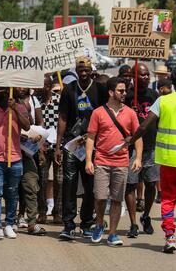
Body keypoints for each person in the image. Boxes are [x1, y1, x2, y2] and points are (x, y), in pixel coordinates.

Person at [126, 66, 176, 253]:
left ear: (173, 83)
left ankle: (170, 237)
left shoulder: (163, 101)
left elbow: (144, 126)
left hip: (168, 160)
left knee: (168, 199)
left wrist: (131, 140)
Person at [86, 77, 142, 246]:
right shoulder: (98, 113)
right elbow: (90, 138)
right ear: (111, 92)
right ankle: (100, 224)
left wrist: (138, 158)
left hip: (122, 162)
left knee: (117, 199)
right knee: (101, 197)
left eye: (125, 90)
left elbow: (138, 137)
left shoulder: (131, 113)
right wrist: (89, 160)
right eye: (120, 90)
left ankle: (112, 234)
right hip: (101, 161)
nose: (124, 93)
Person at [56, 56, 108, 240]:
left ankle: (86, 222)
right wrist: (58, 145)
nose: (84, 73)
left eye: (86, 70)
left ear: (91, 70)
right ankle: (68, 224)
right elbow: (62, 117)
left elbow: (106, 115)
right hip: (72, 142)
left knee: (90, 184)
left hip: (93, 143)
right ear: (76, 72)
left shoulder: (100, 89)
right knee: (69, 183)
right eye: (80, 70)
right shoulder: (68, 89)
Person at [0, 88, 31, 239]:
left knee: (12, 193)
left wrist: (15, 108)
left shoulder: (20, 107)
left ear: (4, 93)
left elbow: (27, 126)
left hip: (14, 158)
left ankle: (9, 224)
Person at [125, 63, 159, 237]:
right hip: (131, 148)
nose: (146, 78)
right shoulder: (127, 96)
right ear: (134, 76)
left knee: (151, 183)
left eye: (147, 75)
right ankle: (132, 223)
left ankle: (145, 216)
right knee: (130, 184)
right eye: (142, 75)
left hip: (151, 146)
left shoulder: (154, 95)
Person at [17, 87, 46, 235]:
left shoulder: (31, 102)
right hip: (9, 153)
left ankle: (32, 223)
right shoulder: (6, 103)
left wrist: (40, 148)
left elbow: (34, 125)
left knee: (31, 185)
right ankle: (10, 220)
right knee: (10, 188)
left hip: (28, 153)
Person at [37, 75, 63, 225]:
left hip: (58, 146)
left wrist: (59, 145)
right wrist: (40, 145)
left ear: (49, 86)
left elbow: (63, 122)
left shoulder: (59, 100)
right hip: (41, 146)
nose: (42, 88)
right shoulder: (35, 102)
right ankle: (42, 211)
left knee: (59, 180)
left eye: (44, 85)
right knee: (42, 179)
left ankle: (58, 212)